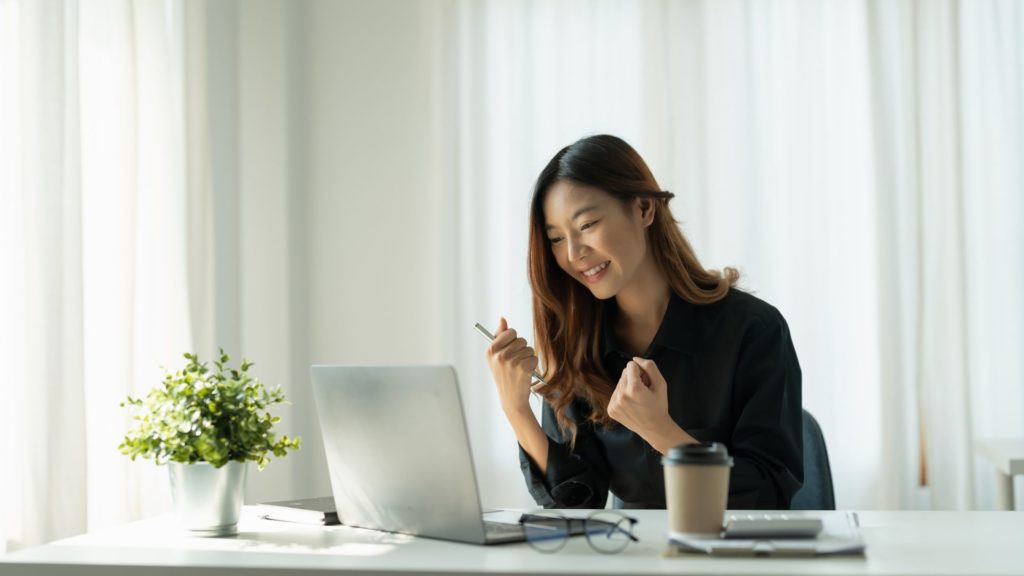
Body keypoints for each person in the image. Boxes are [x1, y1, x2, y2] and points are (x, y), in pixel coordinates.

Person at [484, 134, 803, 510]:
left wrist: (662, 432)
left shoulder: (754, 330)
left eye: (586, 225)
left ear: (644, 209)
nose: (573, 253)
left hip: (736, 560)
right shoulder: (579, 345)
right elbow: (577, 506)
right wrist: (516, 410)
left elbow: (769, 493)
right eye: (556, 238)